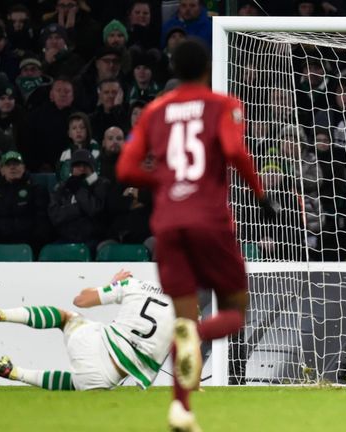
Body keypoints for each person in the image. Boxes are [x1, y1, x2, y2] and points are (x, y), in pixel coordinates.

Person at [116, 38, 275, 431]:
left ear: (173, 68)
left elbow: (125, 170)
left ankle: (180, 407)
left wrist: (165, 182)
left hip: (168, 225)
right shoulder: (222, 105)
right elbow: (235, 151)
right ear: (206, 69)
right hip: (210, 222)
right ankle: (189, 342)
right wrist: (260, 195)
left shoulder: (154, 111)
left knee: (185, 319)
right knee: (235, 313)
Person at [0, 269, 174, 391]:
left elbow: (81, 300)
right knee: (77, 382)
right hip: (107, 379)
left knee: (65, 317)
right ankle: (15, 373)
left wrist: (113, 285)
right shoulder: (186, 310)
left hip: (91, 342)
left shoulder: (135, 285)